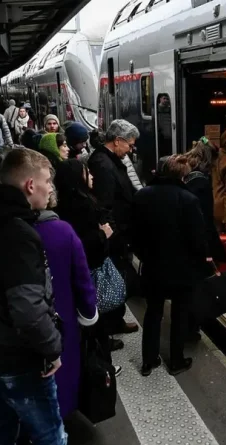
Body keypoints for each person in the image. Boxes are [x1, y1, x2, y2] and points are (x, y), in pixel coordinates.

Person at [0, 148, 66, 445]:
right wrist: (53, 348)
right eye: (47, 181)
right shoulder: (18, 233)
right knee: (51, 437)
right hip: (19, 357)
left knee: (0, 434)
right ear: (30, 185)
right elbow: (27, 309)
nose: (50, 188)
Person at [32, 158, 100, 418]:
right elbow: (82, 280)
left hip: (16, 332)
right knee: (62, 373)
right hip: (62, 318)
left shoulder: (4, 231)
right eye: (47, 182)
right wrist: (88, 313)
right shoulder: (62, 231)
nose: (51, 187)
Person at [133, 155, 209, 376]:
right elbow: (198, 239)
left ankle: (148, 361)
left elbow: (135, 233)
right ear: (183, 176)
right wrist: (201, 261)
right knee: (179, 315)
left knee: (153, 313)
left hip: (152, 267)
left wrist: (144, 255)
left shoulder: (142, 196)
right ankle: (176, 360)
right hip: (182, 270)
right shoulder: (188, 199)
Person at [54, 159, 123, 354]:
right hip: (90, 264)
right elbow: (84, 241)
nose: (92, 176)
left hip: (84, 264)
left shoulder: (68, 202)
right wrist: (103, 235)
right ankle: (100, 351)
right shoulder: (81, 206)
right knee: (93, 307)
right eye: (87, 173)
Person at [88, 119, 141, 336]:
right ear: (117, 141)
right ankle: (110, 325)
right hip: (115, 235)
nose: (131, 149)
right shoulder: (103, 164)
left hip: (119, 231)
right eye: (129, 144)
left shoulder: (107, 160)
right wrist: (115, 235)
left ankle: (115, 321)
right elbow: (105, 204)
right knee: (115, 279)